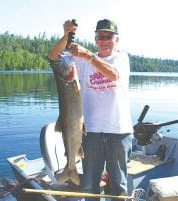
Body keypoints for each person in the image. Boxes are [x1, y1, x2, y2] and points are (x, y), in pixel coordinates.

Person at [48, 19, 133, 201]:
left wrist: (88, 56)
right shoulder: (81, 61)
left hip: (119, 132)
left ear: (116, 39)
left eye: (109, 36)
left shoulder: (121, 58)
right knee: (89, 186)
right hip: (90, 132)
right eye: (100, 36)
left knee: (118, 186)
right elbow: (54, 58)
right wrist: (66, 36)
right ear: (95, 38)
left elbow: (113, 74)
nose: (104, 40)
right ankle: (70, 169)